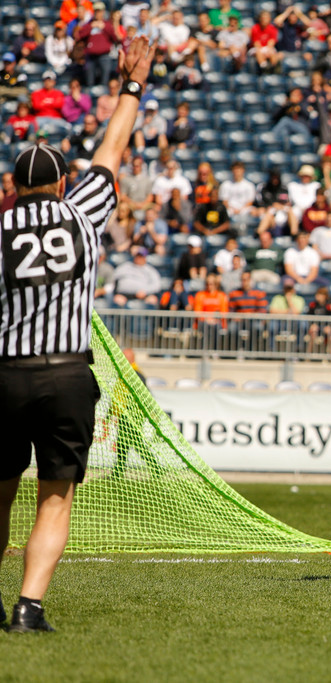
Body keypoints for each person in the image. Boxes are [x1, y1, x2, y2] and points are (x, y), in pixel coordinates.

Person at [0, 35, 152, 634]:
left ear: (13, 189)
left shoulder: (2, 227)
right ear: (63, 185)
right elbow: (111, 149)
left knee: (1, 493)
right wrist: (132, 86)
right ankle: (28, 606)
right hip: (66, 373)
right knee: (55, 496)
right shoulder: (84, 211)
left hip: (6, 371)